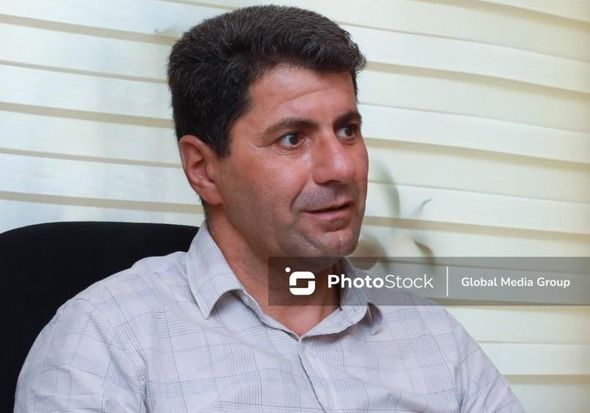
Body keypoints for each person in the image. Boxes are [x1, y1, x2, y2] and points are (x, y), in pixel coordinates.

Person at [15, 5, 524, 412]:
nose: (340, 167)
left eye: (347, 129)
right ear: (204, 169)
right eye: (292, 138)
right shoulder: (106, 340)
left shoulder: (432, 334)